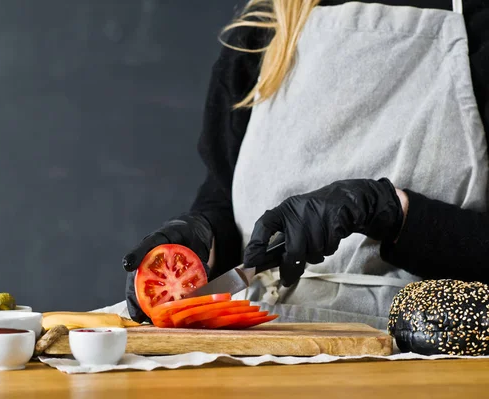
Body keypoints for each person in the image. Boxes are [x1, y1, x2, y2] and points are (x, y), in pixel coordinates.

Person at [122, 0, 489, 330]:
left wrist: (389, 211)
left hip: (416, 351)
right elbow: (224, 197)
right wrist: (202, 238)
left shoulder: (478, 28)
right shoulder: (262, 30)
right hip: (264, 339)